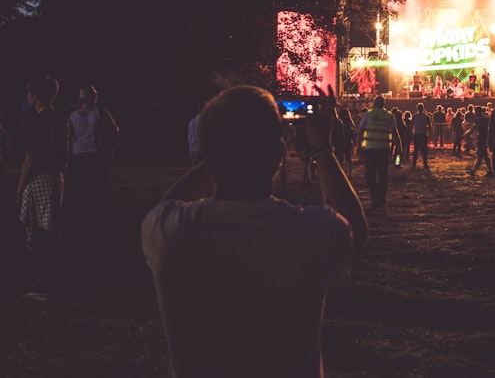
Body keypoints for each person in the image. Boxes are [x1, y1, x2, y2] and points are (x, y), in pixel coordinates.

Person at [141, 85, 367, 378]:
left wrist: (221, 149)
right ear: (278, 155)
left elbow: (167, 205)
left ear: (205, 150)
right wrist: (324, 150)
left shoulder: (173, 231)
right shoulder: (310, 231)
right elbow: (355, 231)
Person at [17, 75, 67, 302]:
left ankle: (41, 284)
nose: (27, 96)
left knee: (37, 233)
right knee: (50, 230)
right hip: (56, 178)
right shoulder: (59, 118)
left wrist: (19, 189)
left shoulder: (36, 121)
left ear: (36, 96)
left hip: (39, 179)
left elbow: (30, 158)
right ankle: (50, 279)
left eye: (29, 93)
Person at [65, 84, 120, 239]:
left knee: (79, 189)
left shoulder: (72, 115)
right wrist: (112, 145)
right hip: (96, 154)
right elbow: (114, 129)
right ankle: (94, 220)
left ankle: (78, 220)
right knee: (96, 188)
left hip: (78, 156)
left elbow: (69, 137)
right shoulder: (100, 112)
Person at [356, 95, 401, 210]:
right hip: (384, 149)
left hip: (370, 149)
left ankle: (374, 198)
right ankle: (381, 198)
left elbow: (360, 132)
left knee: (370, 175)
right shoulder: (388, 116)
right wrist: (399, 147)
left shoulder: (367, 115)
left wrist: (359, 146)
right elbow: (395, 132)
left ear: (374, 104)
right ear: (384, 104)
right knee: (383, 174)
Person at [410, 102, 432, 169]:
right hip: (423, 134)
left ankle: (414, 164)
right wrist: (425, 128)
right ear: (423, 108)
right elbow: (430, 127)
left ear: (417, 108)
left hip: (416, 134)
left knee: (415, 149)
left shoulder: (414, 116)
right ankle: (425, 164)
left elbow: (411, 124)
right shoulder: (426, 117)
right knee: (424, 150)